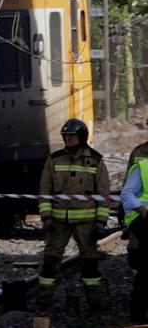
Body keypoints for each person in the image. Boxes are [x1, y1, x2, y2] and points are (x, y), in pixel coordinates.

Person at [36, 118, 111, 311]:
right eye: (66, 136)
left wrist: (101, 222)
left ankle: (96, 300)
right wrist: (46, 217)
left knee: (90, 263)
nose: (68, 139)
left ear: (82, 137)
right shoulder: (54, 159)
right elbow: (44, 191)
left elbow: (103, 194)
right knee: (50, 261)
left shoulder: (96, 160)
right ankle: (44, 300)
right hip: (58, 222)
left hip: (86, 223)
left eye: (72, 136)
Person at [121, 151, 148, 322]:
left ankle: (139, 313)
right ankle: (138, 314)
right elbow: (127, 194)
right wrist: (143, 210)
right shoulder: (143, 167)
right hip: (142, 219)